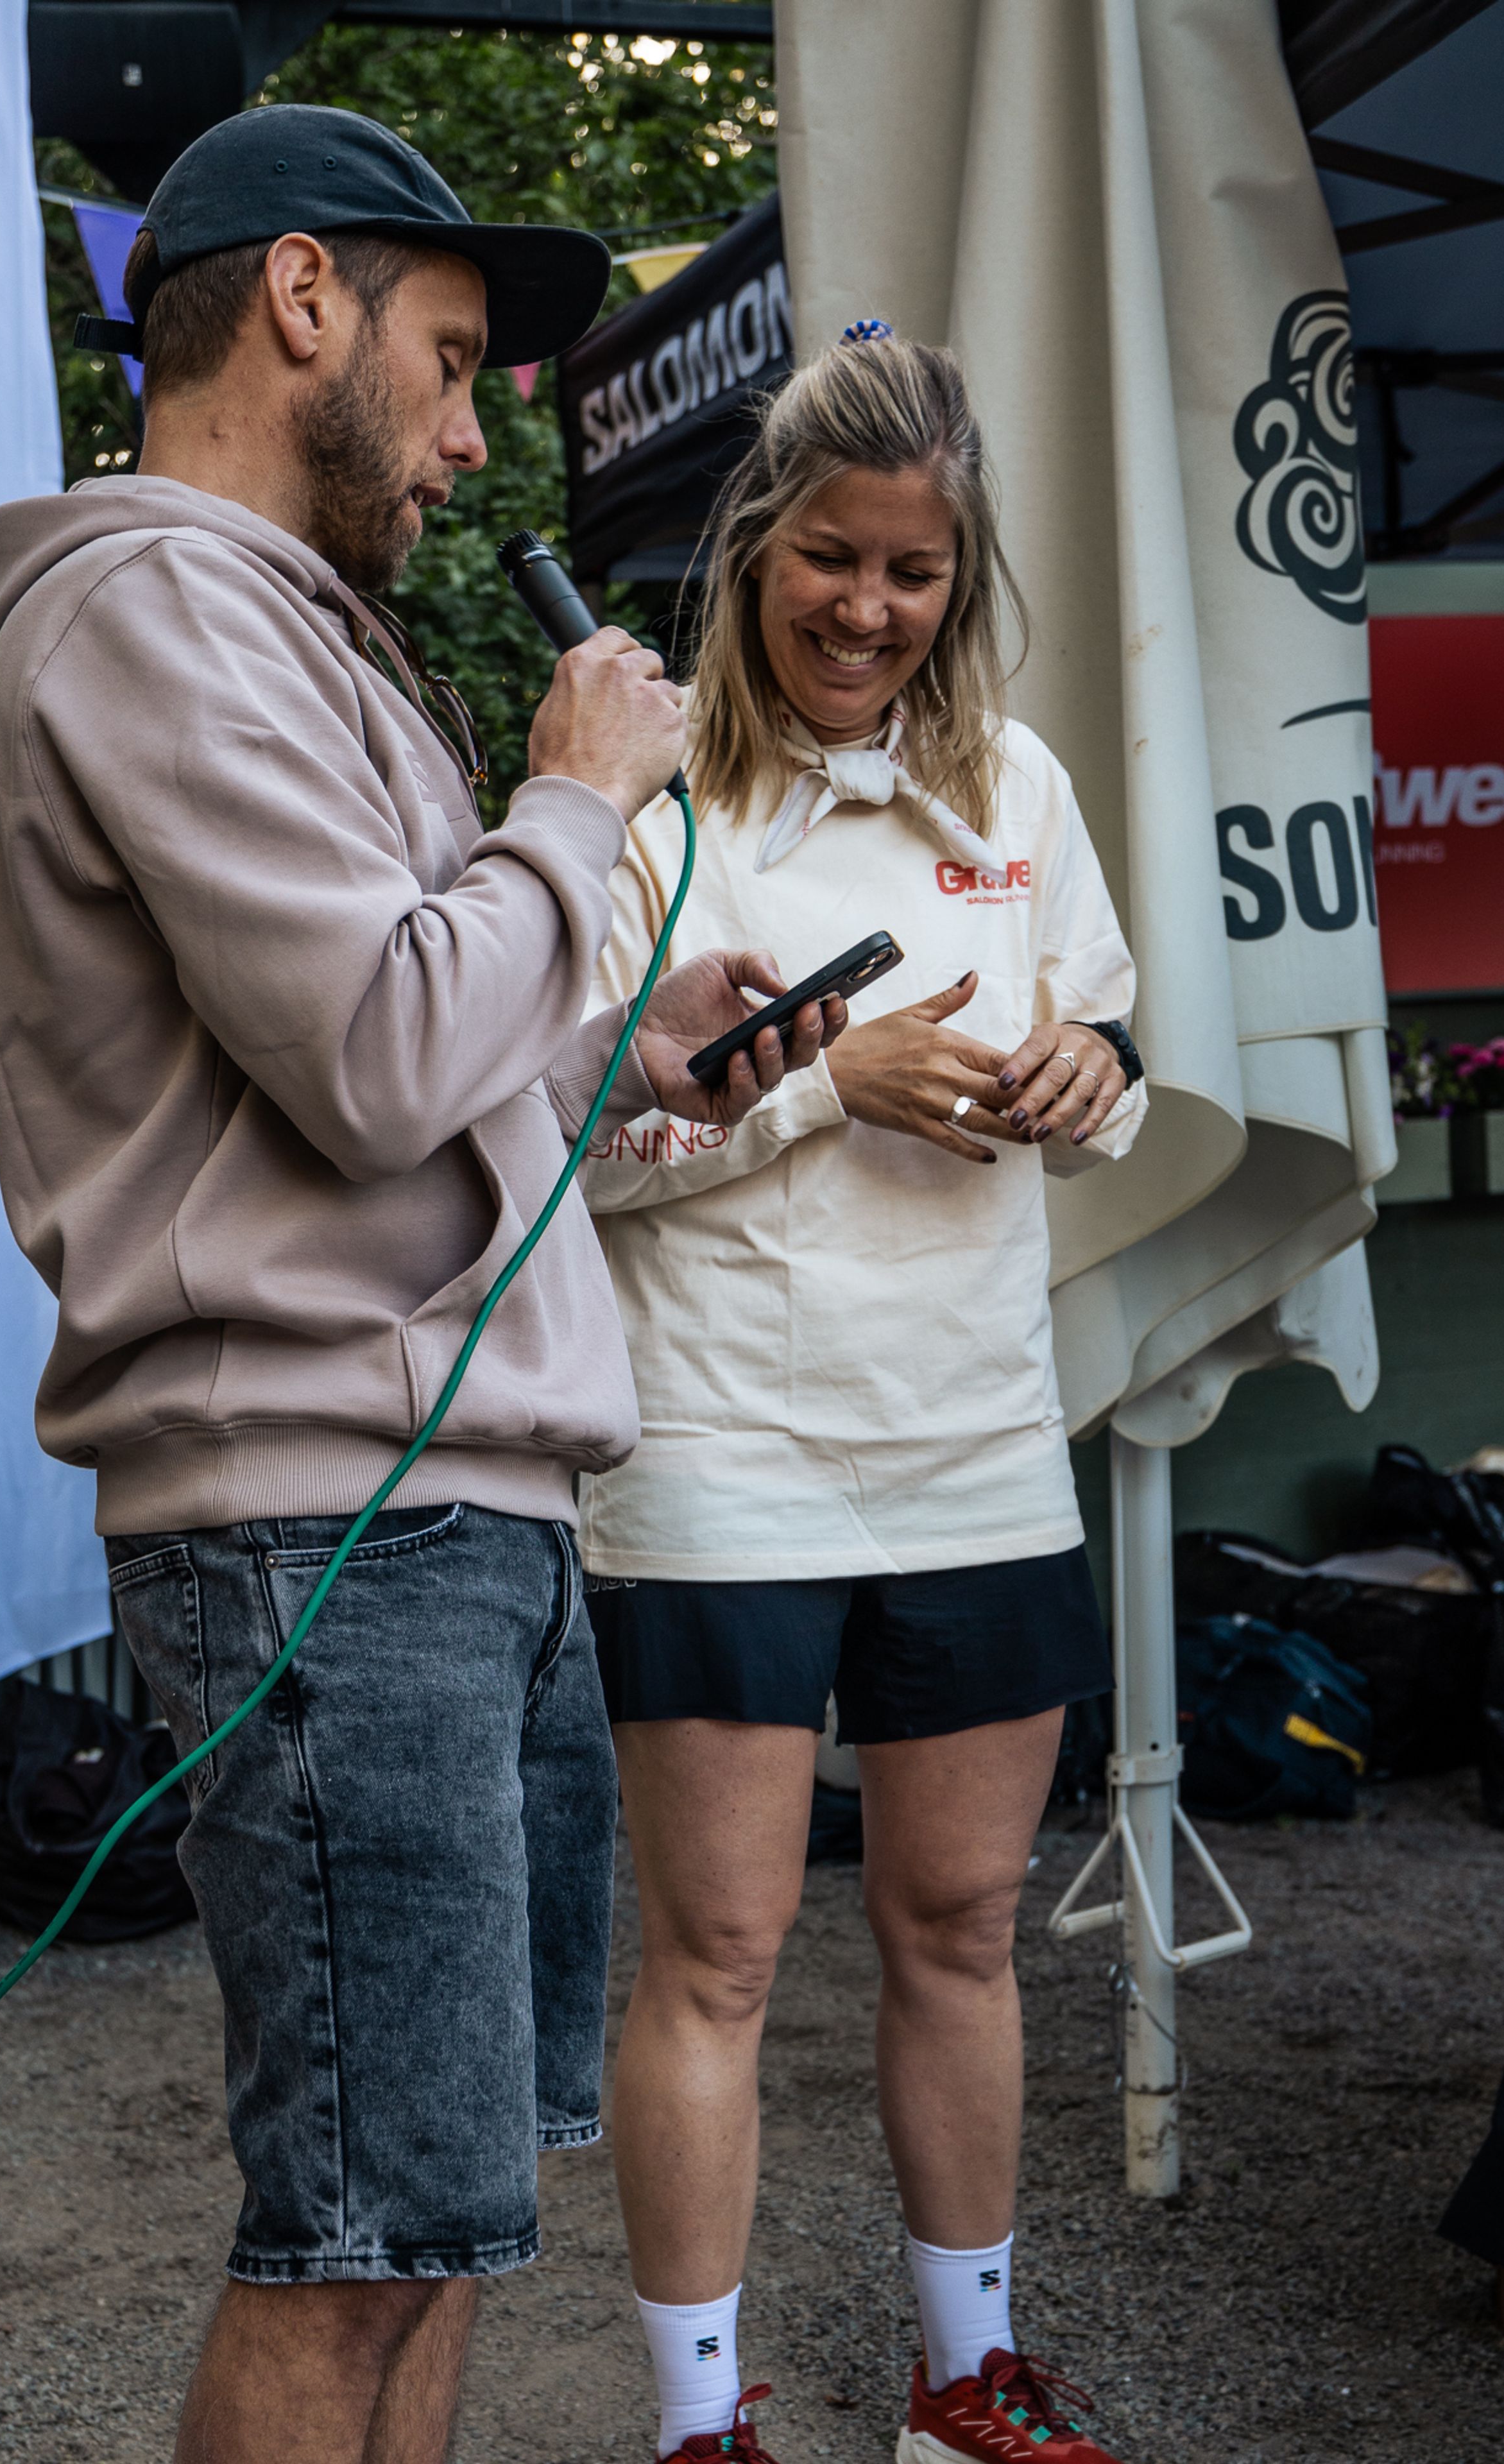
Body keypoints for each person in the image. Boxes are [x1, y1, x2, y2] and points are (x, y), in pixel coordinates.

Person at [0, 107, 841, 2464]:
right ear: (302, 300)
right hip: (335, 1524)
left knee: (435, 2226)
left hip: (461, 1516)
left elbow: (424, 1045)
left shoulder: (271, 632)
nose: (464, 442)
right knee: (346, 2245)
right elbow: (372, 1051)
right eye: (448, 366)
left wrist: (630, 1052)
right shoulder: (147, 610)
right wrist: (576, 801)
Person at [577, 330, 1146, 2464]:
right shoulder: (655, 812)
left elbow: (1099, 1059)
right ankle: (700, 2429)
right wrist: (822, 1084)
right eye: (831, 558)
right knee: (717, 1957)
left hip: (978, 1444)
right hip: (718, 1456)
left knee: (967, 1927)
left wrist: (1094, 1076)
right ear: (753, 553)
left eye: (914, 573)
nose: (867, 610)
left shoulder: (1017, 788)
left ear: (960, 577)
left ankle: (960, 2384)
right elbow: (580, 1150)